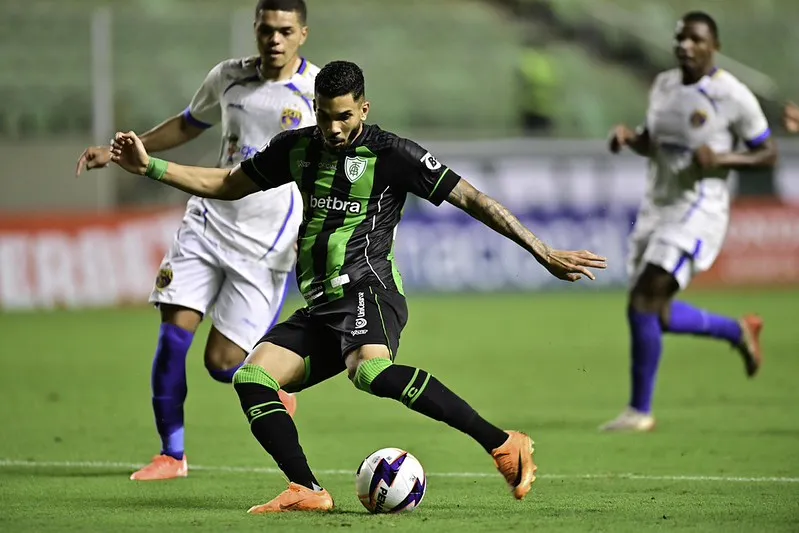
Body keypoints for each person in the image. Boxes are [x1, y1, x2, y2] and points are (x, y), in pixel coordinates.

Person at [108, 60, 607, 513]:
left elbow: (473, 199)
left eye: (343, 116)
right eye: (324, 115)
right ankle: (306, 489)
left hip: (370, 290)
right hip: (321, 303)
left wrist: (542, 251)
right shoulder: (297, 148)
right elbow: (225, 184)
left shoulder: (393, 154)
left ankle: (501, 443)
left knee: (368, 372)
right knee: (252, 378)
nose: (332, 127)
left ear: (363, 108)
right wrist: (149, 165)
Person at [75, 0, 318, 480]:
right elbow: (189, 123)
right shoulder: (228, 77)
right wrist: (123, 150)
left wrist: (309, 233)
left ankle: (272, 384)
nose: (274, 39)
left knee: (223, 362)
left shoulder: (316, 90)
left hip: (267, 242)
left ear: (303, 34)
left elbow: (326, 165)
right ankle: (172, 454)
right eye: (266, 29)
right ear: (255, 29)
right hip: (207, 221)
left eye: (285, 31)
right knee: (172, 335)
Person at [602, 11, 776, 432]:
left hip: (699, 208)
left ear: (713, 45)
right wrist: (632, 140)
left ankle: (639, 413)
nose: (686, 46)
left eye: (696, 39)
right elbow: (656, 143)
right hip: (656, 207)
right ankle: (736, 331)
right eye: (681, 38)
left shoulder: (731, 95)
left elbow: (768, 153)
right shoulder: (663, 85)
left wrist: (724, 158)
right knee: (653, 315)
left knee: (644, 298)